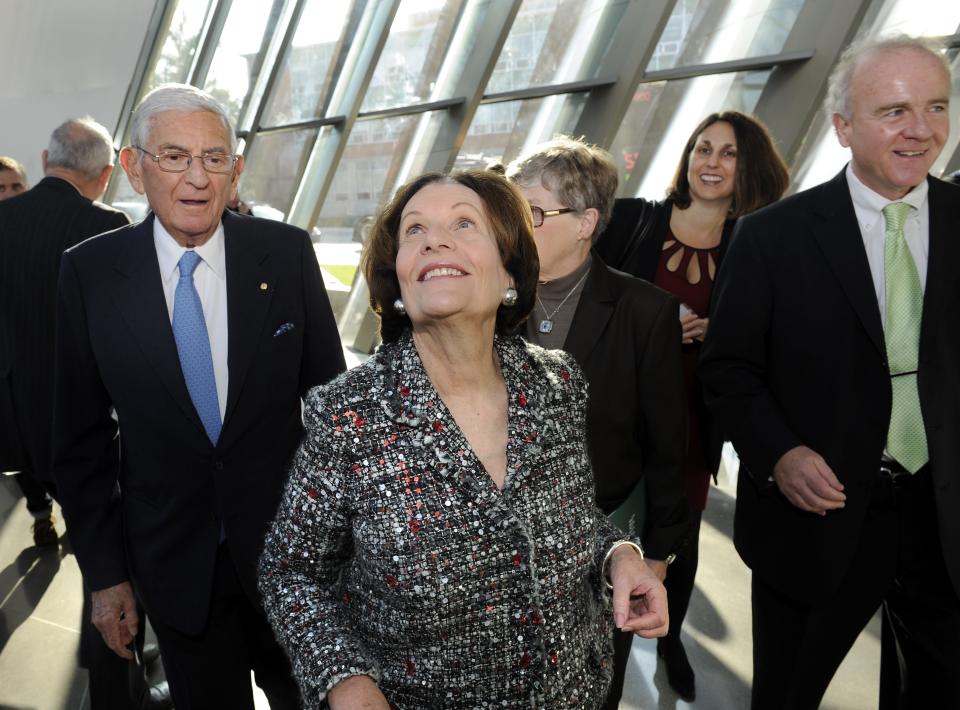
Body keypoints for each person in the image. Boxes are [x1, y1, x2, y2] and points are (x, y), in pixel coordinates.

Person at [259, 169, 670, 708]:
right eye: (414, 230)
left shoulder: (557, 384)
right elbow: (291, 572)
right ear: (399, 280)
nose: (434, 238)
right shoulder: (348, 416)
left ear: (509, 272)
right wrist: (344, 677)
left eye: (464, 223)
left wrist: (617, 553)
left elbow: (566, 519)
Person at [52, 83, 346, 710]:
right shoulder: (91, 273)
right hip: (172, 560)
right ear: (133, 168)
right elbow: (79, 442)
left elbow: (332, 411)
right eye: (174, 157)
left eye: (215, 159)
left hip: (294, 560)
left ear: (236, 170)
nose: (197, 178)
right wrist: (106, 578)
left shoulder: (285, 253)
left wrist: (347, 547)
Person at [699, 35, 960, 709]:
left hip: (946, 521)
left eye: (936, 106)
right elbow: (726, 370)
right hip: (818, 523)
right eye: (895, 111)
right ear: (843, 128)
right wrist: (778, 454)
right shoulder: (771, 238)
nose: (923, 130)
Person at [595, 111, 788, 700]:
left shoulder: (754, 243)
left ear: (747, 167)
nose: (710, 162)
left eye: (728, 154)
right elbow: (591, 290)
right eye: (703, 148)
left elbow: (766, 334)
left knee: (679, 531)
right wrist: (653, 327)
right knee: (608, 518)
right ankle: (600, 640)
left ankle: (671, 636)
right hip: (620, 404)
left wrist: (716, 336)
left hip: (695, 414)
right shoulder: (633, 220)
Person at [506, 137, 688, 709]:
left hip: (600, 543)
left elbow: (668, 445)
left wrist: (655, 553)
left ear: (586, 222)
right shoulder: (486, 296)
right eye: (509, 208)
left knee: (589, 689)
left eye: (531, 212)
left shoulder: (642, 311)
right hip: (495, 545)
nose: (515, 224)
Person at [0, 120, 128, 546]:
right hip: (79, 410)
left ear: (44, 160)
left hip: (12, 407)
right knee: (99, 527)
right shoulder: (110, 225)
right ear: (106, 175)